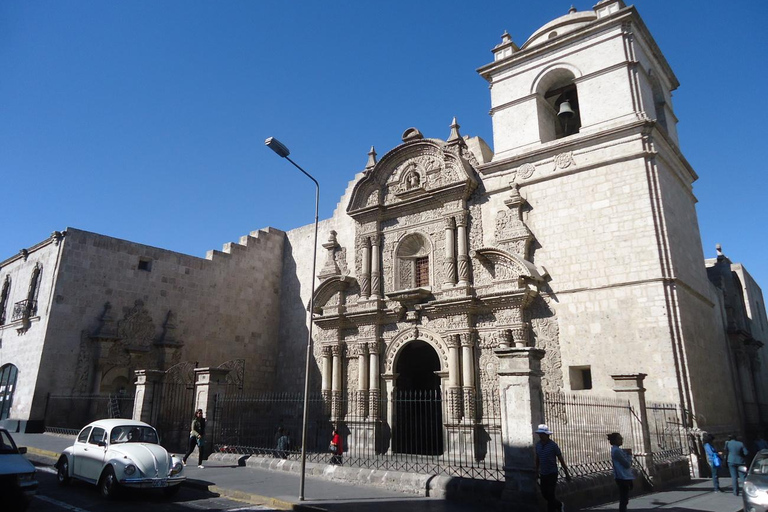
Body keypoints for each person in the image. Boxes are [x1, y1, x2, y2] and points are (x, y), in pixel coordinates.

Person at [534, 424, 571, 512]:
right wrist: (536, 471)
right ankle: (559, 505)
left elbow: (560, 458)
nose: (540, 435)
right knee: (544, 493)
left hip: (552, 473)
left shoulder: (553, 445)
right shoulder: (538, 445)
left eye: (542, 434)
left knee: (550, 494)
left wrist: (566, 472)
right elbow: (538, 458)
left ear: (547, 435)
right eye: (540, 434)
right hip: (543, 473)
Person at [608, 433, 634, 512]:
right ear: (615, 440)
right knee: (624, 499)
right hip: (622, 477)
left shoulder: (617, 450)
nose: (622, 440)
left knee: (624, 498)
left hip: (624, 476)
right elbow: (627, 464)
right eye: (619, 439)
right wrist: (629, 455)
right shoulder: (616, 451)